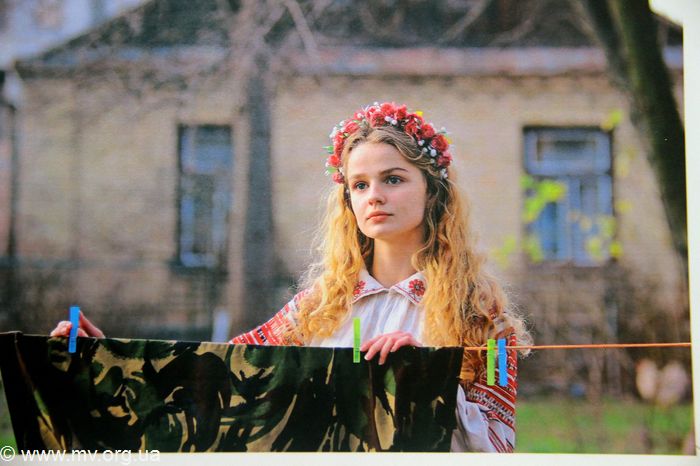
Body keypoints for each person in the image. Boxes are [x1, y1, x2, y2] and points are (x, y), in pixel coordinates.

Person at [52, 102, 530, 452]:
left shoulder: (480, 316)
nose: (374, 196)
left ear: (433, 191)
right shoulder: (318, 307)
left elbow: (499, 444)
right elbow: (219, 376)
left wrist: (426, 383)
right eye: (359, 184)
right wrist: (107, 359)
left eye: (393, 179)